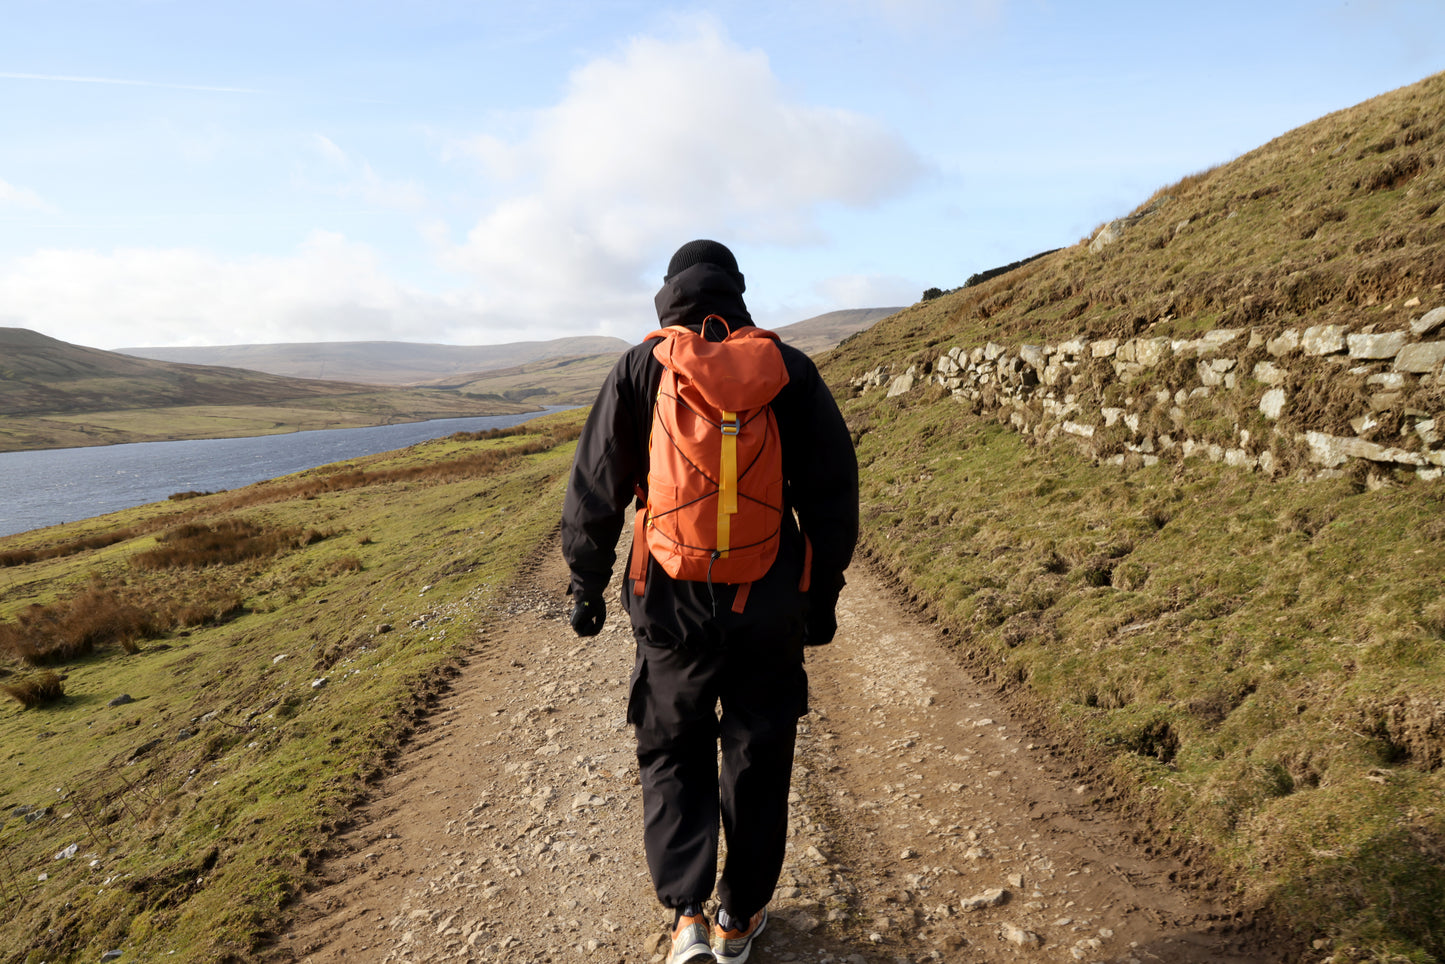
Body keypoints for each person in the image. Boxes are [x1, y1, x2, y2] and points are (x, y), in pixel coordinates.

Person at [561, 239, 859, 964]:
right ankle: (738, 916)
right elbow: (831, 495)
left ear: (670, 292)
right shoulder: (787, 370)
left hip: (668, 600)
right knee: (758, 751)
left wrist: (585, 580)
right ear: (737, 292)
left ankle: (687, 916)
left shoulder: (641, 367)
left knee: (671, 748)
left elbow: (597, 483)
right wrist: (820, 596)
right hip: (768, 600)